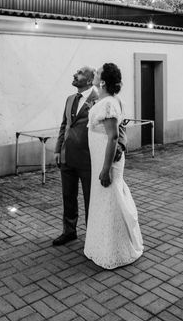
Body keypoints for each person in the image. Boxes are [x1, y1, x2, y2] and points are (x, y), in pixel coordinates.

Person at [84, 63, 143, 268]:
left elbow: (113, 136)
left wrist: (105, 168)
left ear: (103, 81)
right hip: (99, 156)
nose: (94, 73)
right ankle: (100, 244)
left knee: (110, 195)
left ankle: (114, 248)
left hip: (106, 159)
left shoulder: (109, 103)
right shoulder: (104, 100)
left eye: (98, 72)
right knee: (102, 198)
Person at [53, 66, 99, 246]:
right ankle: (69, 231)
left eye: (79, 73)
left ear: (88, 80)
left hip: (88, 158)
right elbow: (64, 125)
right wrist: (58, 150)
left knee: (90, 199)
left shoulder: (98, 99)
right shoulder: (70, 98)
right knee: (68, 196)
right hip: (67, 156)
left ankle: (92, 235)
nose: (74, 74)